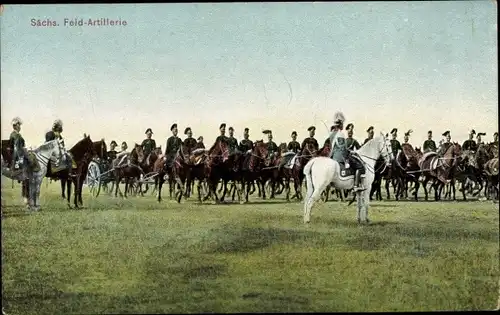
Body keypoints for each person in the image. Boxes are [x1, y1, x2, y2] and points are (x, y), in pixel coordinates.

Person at [329, 111, 366, 191]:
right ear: (340, 125)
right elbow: (342, 149)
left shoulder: (332, 134)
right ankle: (356, 185)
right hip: (341, 158)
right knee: (360, 166)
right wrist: (351, 152)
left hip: (333, 156)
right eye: (342, 124)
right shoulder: (340, 134)